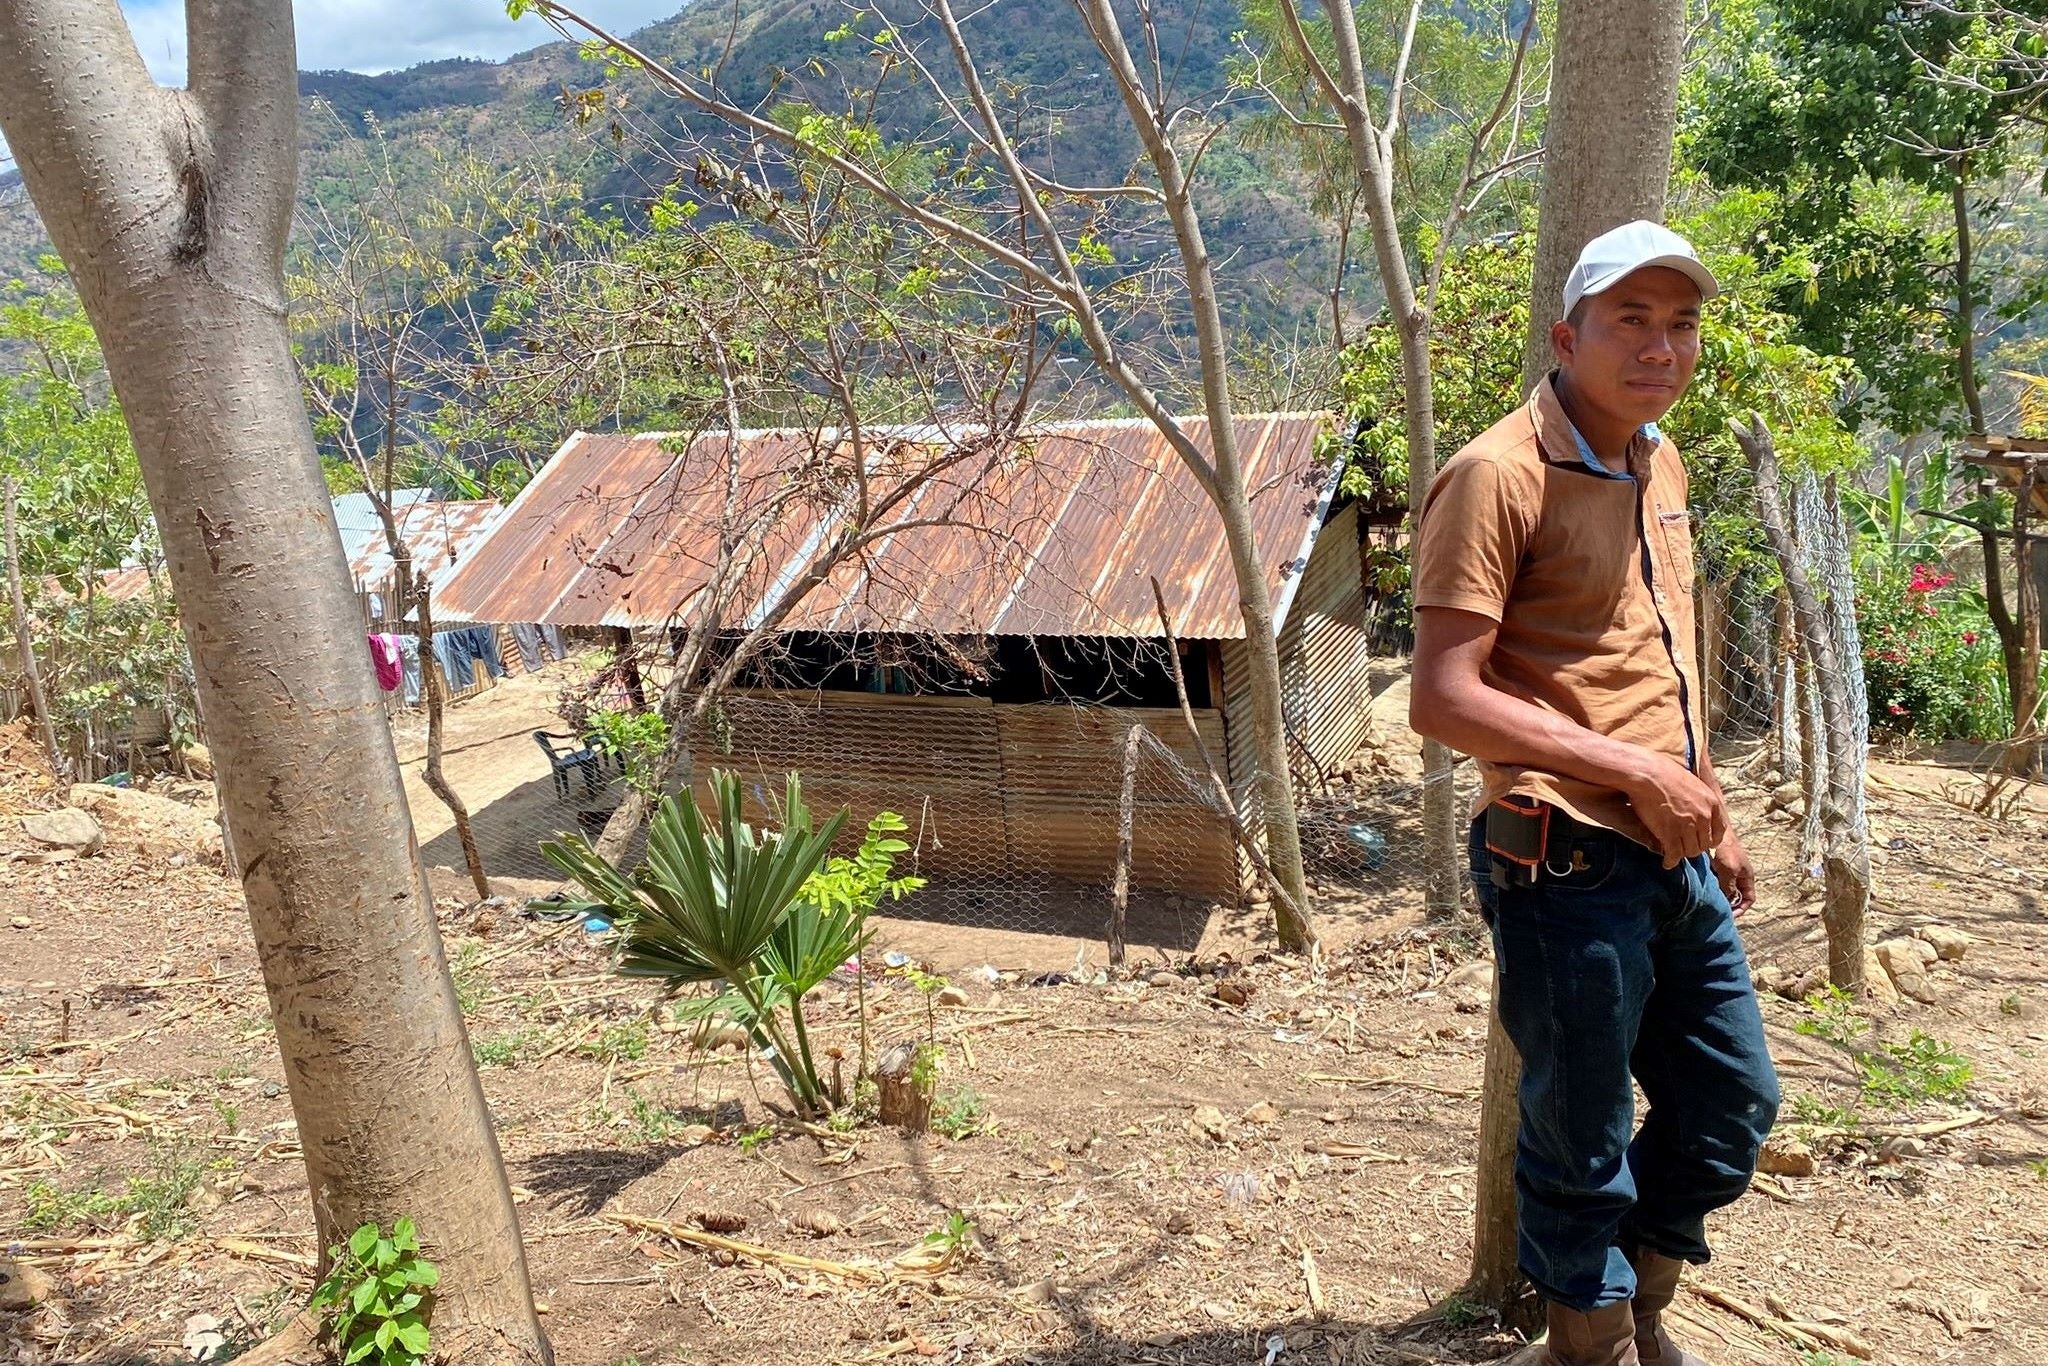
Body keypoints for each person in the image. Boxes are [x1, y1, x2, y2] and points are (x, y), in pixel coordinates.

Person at [1408, 220, 1780, 1366]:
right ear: (1566, 337)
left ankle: (1643, 1304)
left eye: (1679, 323)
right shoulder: (1493, 475)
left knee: (1730, 1107)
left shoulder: (1655, 456)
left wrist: (1703, 799)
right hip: (1560, 854)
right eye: (1630, 319)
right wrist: (1635, 775)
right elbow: (1440, 696)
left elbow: (1659, 644)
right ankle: (1592, 1342)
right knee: (1579, 1136)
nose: (1659, 346)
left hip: (1670, 849)